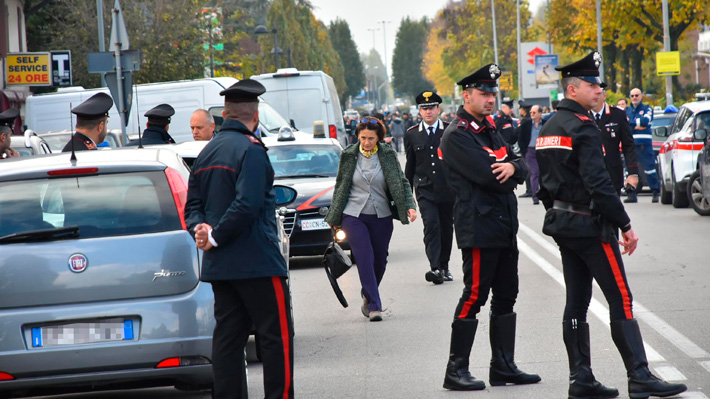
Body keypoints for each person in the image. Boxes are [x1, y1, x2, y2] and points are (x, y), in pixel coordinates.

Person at [535, 51, 687, 399]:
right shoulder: (583, 126)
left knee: (576, 301)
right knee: (621, 298)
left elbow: (542, 182)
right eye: (591, 85)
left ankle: (581, 378)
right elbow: (599, 183)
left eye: (599, 85)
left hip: (563, 222)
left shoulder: (549, 126)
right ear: (572, 89)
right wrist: (625, 224)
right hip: (590, 225)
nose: (598, 90)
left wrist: (561, 209)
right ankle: (640, 375)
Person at [184, 79, 294, 399]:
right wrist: (214, 236)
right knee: (275, 337)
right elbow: (248, 204)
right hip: (257, 261)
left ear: (225, 114)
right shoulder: (252, 149)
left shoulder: (206, 153)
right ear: (255, 117)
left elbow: (193, 207)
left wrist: (201, 231)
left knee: (228, 339)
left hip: (221, 266)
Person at [439, 63, 539, 391]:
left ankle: (504, 366)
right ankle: (456, 369)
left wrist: (512, 167)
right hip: (479, 227)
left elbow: (521, 164)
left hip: (504, 225)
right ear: (466, 95)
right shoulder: (458, 135)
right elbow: (491, 177)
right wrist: (511, 169)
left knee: (507, 295)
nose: (490, 99)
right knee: (475, 295)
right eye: (484, 94)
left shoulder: (491, 128)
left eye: (493, 94)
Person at [324, 117, 417, 322]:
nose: (366, 142)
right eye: (363, 137)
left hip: (381, 214)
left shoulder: (388, 155)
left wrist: (410, 205)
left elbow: (401, 182)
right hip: (353, 214)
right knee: (364, 255)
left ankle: (367, 293)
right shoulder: (348, 155)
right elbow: (341, 185)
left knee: (380, 260)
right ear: (357, 136)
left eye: (371, 138)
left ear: (379, 138)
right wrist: (334, 213)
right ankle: (375, 305)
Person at [405, 90, 455, 284]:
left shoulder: (450, 130)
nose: (427, 112)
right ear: (419, 110)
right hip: (425, 190)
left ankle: (445, 265)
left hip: (448, 190)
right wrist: (407, 197)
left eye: (431, 107)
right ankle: (435, 267)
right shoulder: (412, 134)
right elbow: (410, 167)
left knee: (446, 229)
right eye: (423, 108)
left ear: (438, 109)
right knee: (431, 226)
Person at [591, 88, 639, 195]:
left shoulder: (617, 114)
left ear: (605, 95)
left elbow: (628, 145)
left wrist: (633, 173)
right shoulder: (582, 116)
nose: (595, 98)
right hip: (589, 175)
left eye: (598, 94)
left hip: (612, 173)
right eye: (591, 94)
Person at [626, 88, 660, 203]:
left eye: (636, 95)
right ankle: (631, 194)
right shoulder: (627, 111)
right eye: (632, 96)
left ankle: (655, 192)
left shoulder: (647, 109)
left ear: (641, 96)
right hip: (630, 144)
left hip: (644, 144)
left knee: (649, 168)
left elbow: (646, 122)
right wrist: (636, 124)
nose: (634, 98)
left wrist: (631, 123)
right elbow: (624, 124)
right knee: (630, 170)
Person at [517, 104, 543, 204]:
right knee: (534, 172)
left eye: (534, 112)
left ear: (540, 113)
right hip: (530, 151)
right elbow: (521, 138)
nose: (532, 114)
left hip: (542, 151)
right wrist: (524, 151)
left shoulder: (545, 124)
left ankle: (545, 193)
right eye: (531, 112)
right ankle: (535, 195)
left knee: (543, 173)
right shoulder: (526, 124)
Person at [516, 100, 533, 197]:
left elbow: (523, 137)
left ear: (523, 110)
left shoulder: (526, 121)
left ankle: (530, 190)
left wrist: (523, 149)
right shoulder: (529, 120)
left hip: (526, 149)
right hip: (528, 148)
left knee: (529, 170)